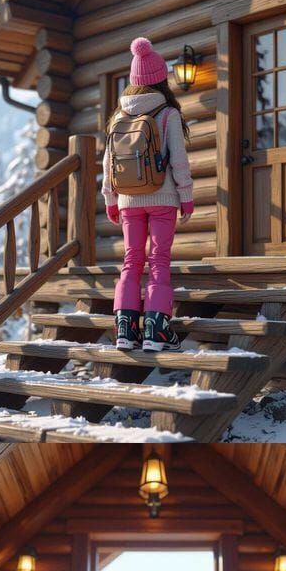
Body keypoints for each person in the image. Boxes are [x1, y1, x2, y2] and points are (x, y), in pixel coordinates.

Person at [103, 38, 194, 352]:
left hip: (128, 200)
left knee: (131, 260)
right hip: (162, 197)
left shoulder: (119, 117)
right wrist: (186, 196)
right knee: (159, 260)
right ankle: (156, 330)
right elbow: (179, 160)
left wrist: (110, 200)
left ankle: (125, 329)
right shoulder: (168, 114)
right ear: (160, 78)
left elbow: (108, 163)